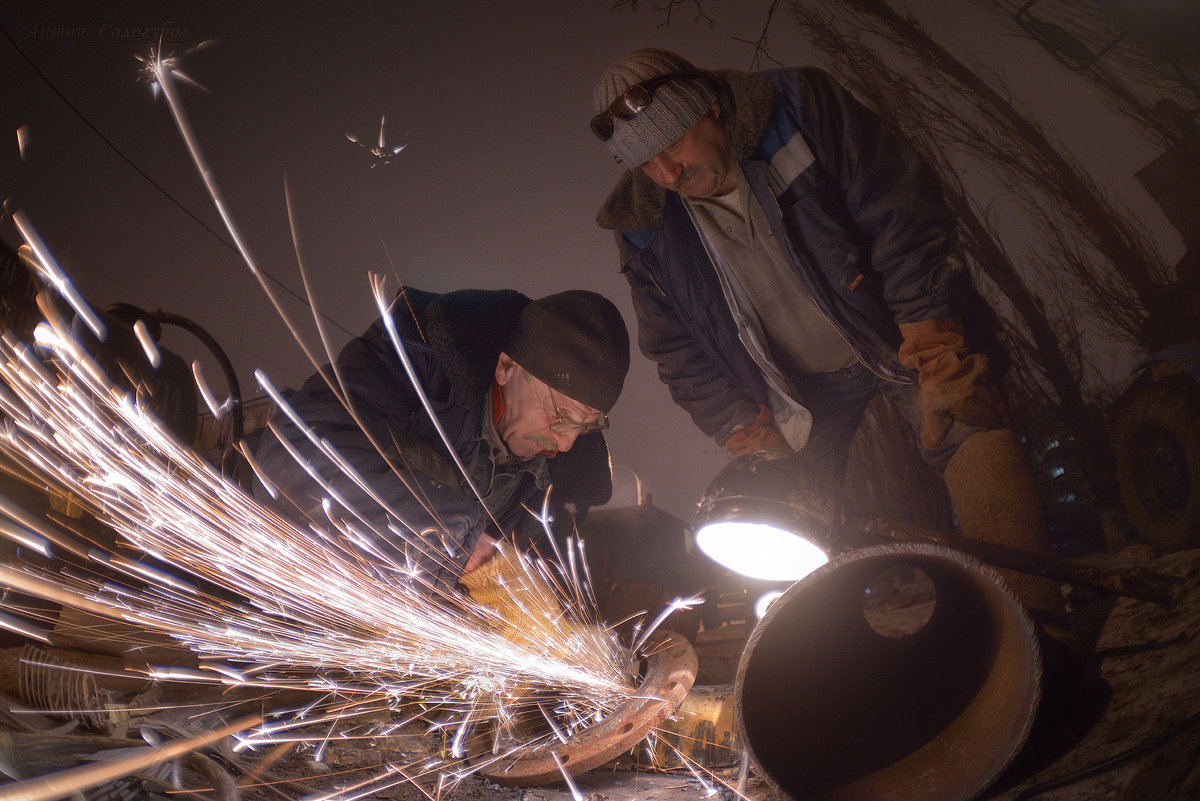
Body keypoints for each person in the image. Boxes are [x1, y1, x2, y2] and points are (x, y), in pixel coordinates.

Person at [589, 48, 1074, 655]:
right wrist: (743, 429)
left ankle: (1039, 637)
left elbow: (899, 212)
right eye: (646, 164)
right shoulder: (644, 226)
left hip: (891, 329)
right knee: (780, 509)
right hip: (796, 385)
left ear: (710, 106)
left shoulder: (798, 110)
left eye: (674, 147)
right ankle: (838, 667)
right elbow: (674, 346)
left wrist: (933, 335)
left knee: (966, 418)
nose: (666, 173)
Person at [254, 287, 630, 608]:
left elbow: (552, 592)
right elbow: (291, 456)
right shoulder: (409, 366)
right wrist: (452, 541)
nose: (565, 443)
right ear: (506, 367)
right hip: (299, 605)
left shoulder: (558, 492)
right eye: (558, 414)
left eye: (585, 425)